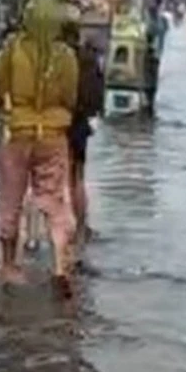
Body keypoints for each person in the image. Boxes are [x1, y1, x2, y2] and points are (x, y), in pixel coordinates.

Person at [0, 0, 78, 294]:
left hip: (16, 133)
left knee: (10, 199)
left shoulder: (11, 49)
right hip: (52, 135)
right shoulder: (66, 56)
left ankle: (10, 265)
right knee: (53, 200)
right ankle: (61, 265)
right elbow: (70, 98)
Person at [61, 20, 104, 247]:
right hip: (79, 125)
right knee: (77, 178)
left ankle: (38, 233)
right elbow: (97, 98)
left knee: (45, 180)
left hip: (53, 123)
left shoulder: (54, 58)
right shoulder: (88, 59)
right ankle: (80, 228)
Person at [144, 0, 169, 114]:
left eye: (152, 1)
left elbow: (158, 37)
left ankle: (149, 105)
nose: (149, 4)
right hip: (145, 55)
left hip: (153, 55)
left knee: (151, 84)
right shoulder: (145, 17)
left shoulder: (161, 20)